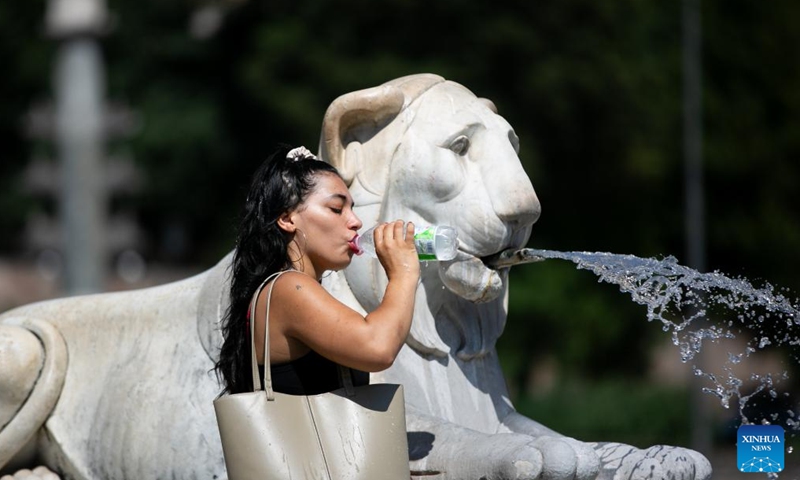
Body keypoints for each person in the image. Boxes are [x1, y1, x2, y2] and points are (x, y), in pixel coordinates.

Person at [214, 144, 420, 396]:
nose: (356, 221)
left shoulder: (286, 287)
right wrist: (403, 274)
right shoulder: (289, 288)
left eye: (352, 208)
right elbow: (378, 348)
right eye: (336, 209)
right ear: (287, 219)